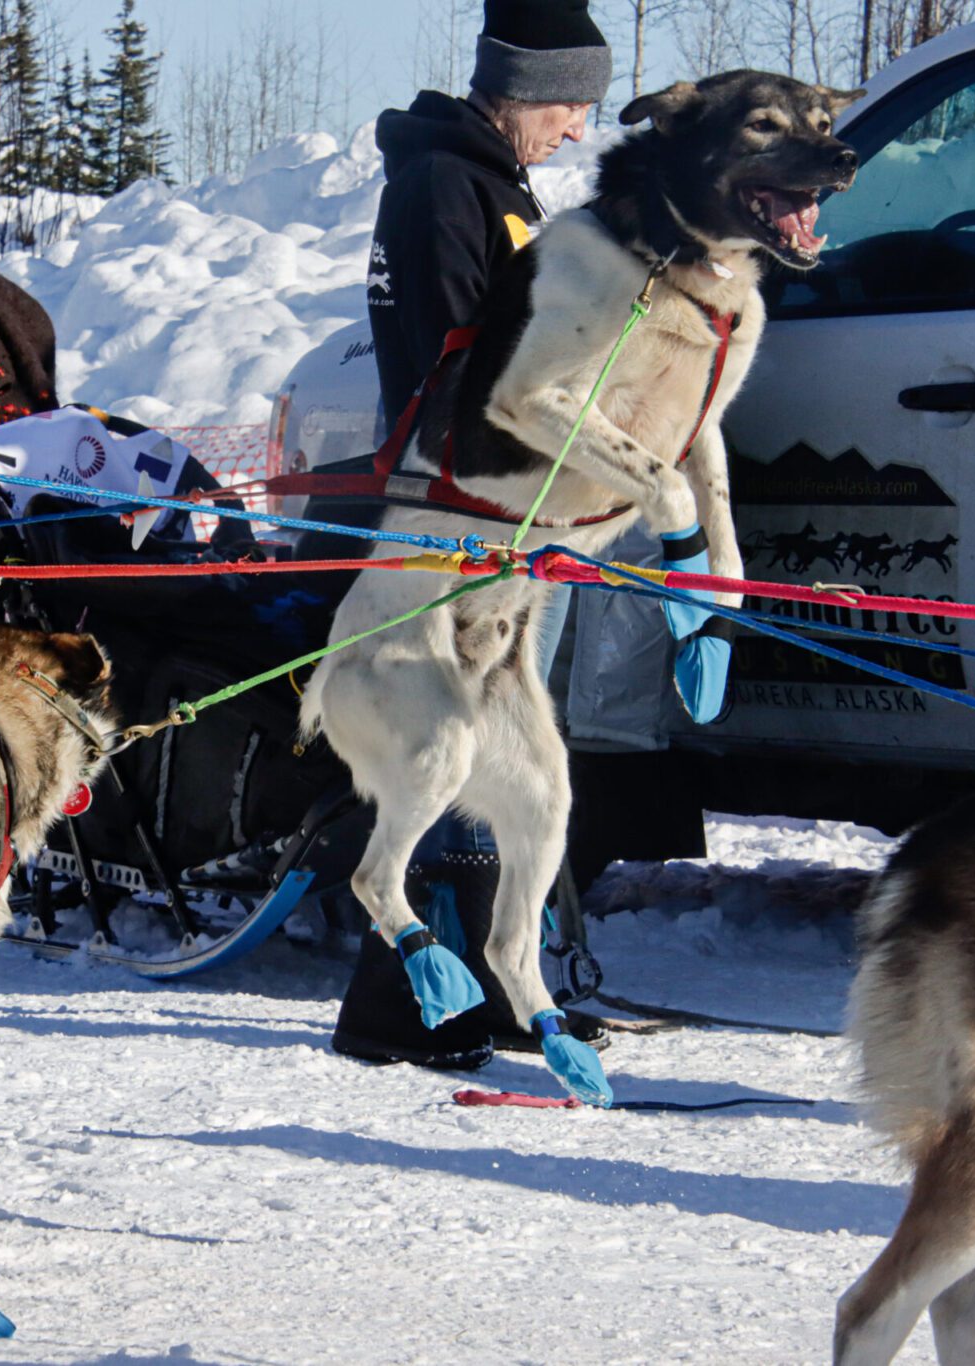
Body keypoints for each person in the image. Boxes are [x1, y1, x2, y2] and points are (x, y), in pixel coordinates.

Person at [332, 0, 611, 1071]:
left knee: (498, 759)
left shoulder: (487, 185)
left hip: (503, 511)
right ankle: (398, 1004)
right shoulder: (447, 187)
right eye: (572, 107)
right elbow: (464, 363)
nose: (577, 130)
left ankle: (494, 987)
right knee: (443, 750)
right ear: (524, 88)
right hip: (459, 518)